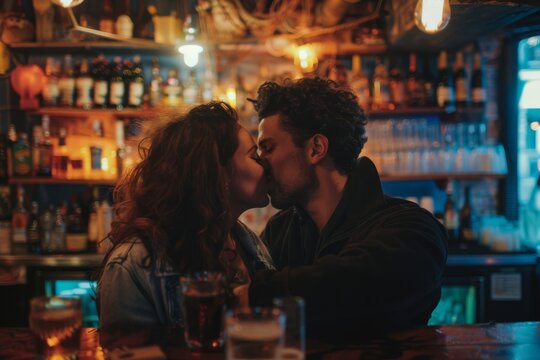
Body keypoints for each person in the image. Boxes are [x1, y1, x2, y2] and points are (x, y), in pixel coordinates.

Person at [249, 78, 448, 339]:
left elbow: (359, 284)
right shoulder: (279, 231)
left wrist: (253, 295)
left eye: (268, 148)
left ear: (316, 148)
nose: (261, 163)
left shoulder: (411, 227)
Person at [97, 102, 274, 328]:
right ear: (219, 173)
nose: (266, 165)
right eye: (254, 156)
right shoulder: (131, 265)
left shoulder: (249, 244)